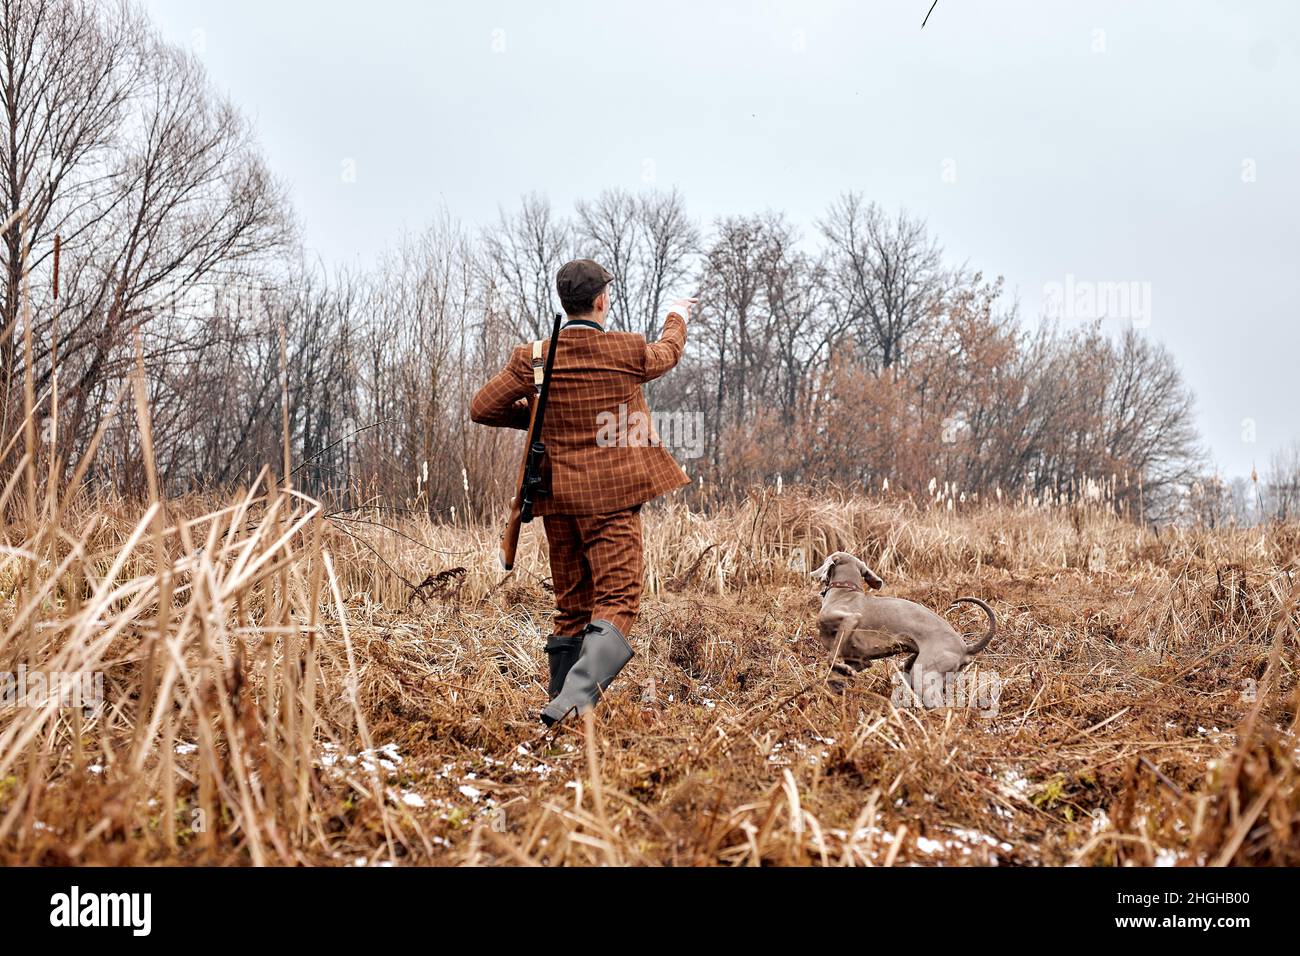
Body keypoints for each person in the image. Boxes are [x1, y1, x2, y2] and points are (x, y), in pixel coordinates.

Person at [470, 259, 696, 725]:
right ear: (600, 300)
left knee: (572, 606)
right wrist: (678, 314)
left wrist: (541, 418)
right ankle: (572, 703)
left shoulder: (534, 357)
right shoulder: (625, 350)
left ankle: (557, 710)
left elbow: (482, 407)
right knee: (620, 599)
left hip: (559, 503)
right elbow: (667, 353)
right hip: (610, 503)